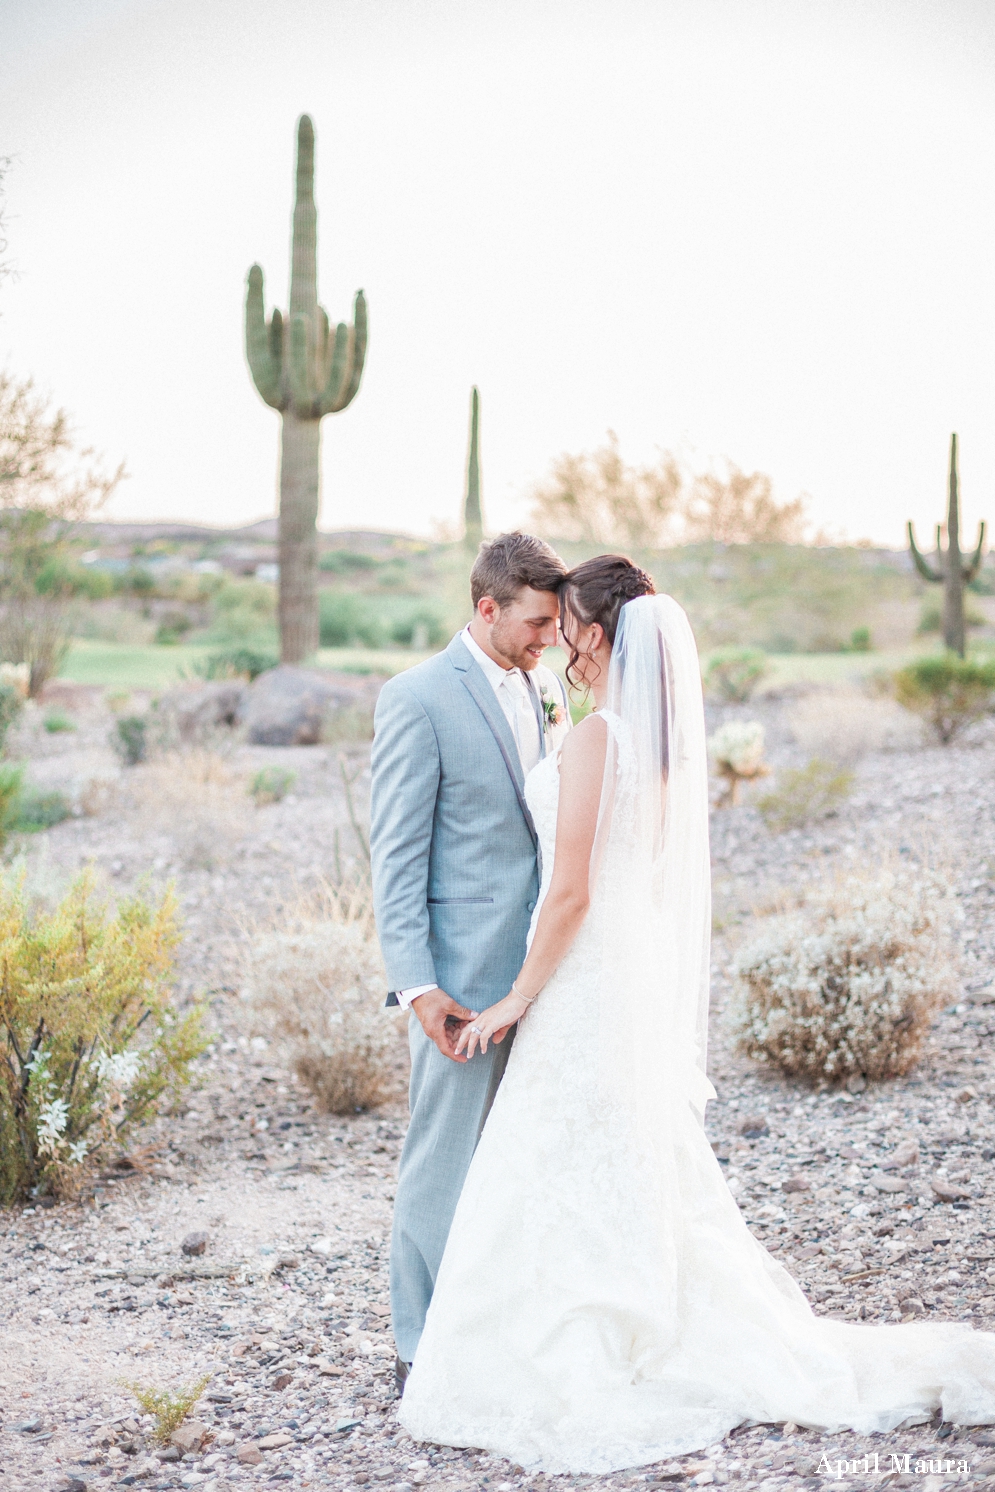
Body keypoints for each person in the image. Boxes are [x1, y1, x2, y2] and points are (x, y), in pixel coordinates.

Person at [398, 554, 995, 1473]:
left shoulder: (600, 737)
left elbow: (570, 897)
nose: (555, 639)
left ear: (594, 634)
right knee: (613, 1153)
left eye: (565, 625)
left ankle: (575, 1328)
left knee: (559, 1153)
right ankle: (627, 1303)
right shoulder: (656, 743)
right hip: (616, 976)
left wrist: (517, 997)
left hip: (580, 977)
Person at [370, 532, 570, 1395]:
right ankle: (421, 1344)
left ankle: (506, 1323)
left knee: (528, 1156)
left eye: (555, 624)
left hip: (547, 972)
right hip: (461, 978)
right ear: (486, 609)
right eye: (533, 622)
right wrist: (420, 989)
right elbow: (396, 855)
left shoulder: (547, 686)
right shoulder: (416, 699)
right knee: (442, 1157)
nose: (547, 638)